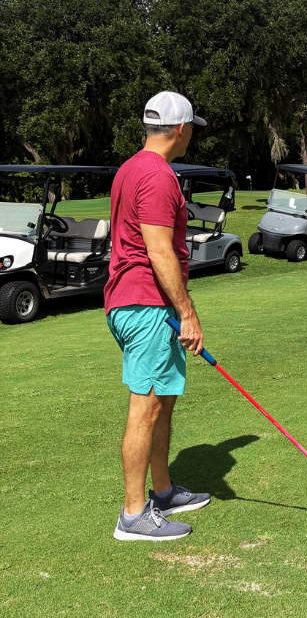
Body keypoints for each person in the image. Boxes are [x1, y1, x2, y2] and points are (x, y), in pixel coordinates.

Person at [106, 91, 211, 542]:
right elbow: (158, 250)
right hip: (146, 304)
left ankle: (164, 491)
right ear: (182, 129)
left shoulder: (132, 167)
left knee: (162, 401)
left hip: (144, 302)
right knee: (145, 407)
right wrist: (188, 313)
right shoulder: (157, 175)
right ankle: (133, 515)